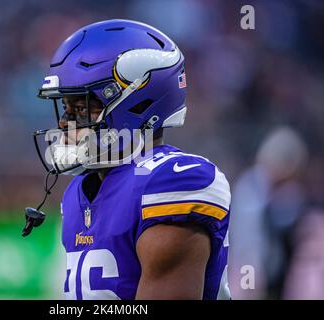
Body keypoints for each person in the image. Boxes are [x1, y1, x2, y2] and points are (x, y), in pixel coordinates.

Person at [24, 19, 231, 300]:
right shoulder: (79, 190)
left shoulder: (174, 180)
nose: (64, 123)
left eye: (81, 108)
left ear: (137, 104)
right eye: (66, 107)